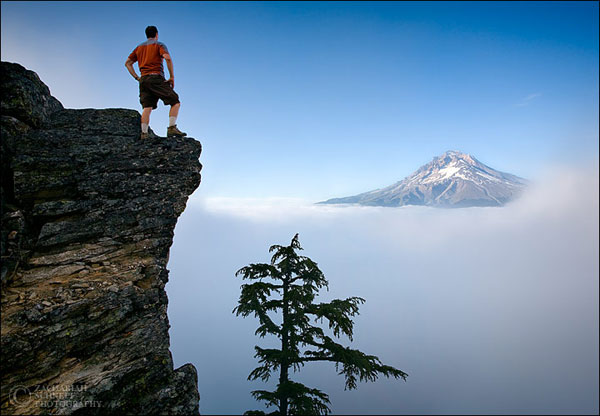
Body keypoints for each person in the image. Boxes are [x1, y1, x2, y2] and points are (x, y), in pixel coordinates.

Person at [125, 25, 186, 139]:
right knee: (175, 101)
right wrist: (172, 77)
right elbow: (167, 58)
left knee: (147, 107)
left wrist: (136, 77)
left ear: (147, 35)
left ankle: (144, 134)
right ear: (156, 34)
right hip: (155, 77)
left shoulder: (138, 48)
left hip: (143, 80)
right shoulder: (159, 45)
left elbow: (127, 63)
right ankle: (172, 128)